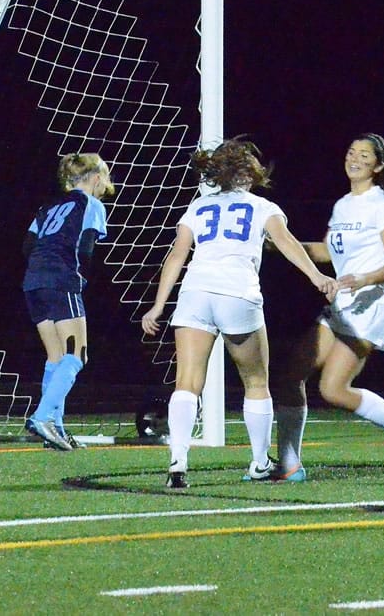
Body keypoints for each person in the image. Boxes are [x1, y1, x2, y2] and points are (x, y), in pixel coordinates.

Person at [141, 138, 337, 489]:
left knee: (187, 382)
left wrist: (158, 304)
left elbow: (176, 255)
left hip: (195, 293)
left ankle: (177, 463)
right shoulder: (263, 206)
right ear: (247, 173)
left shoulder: (198, 207)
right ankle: (260, 463)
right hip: (237, 294)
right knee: (257, 382)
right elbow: (288, 243)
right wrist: (317, 276)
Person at [271, 134, 384, 481]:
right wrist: (280, 244)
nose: (354, 158)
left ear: (377, 166)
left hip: (371, 307)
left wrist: (363, 279)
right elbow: (330, 253)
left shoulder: (382, 206)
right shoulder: (343, 205)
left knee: (330, 388)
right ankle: (290, 464)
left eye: (363, 155)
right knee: (293, 376)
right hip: (343, 304)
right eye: (350, 152)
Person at [22, 153, 115, 451]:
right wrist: (76, 278)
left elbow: (27, 245)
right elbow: (86, 249)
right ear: (96, 177)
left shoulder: (47, 206)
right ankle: (41, 417)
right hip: (62, 281)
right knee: (77, 355)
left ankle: (56, 430)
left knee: (56, 357)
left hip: (34, 281)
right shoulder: (92, 205)